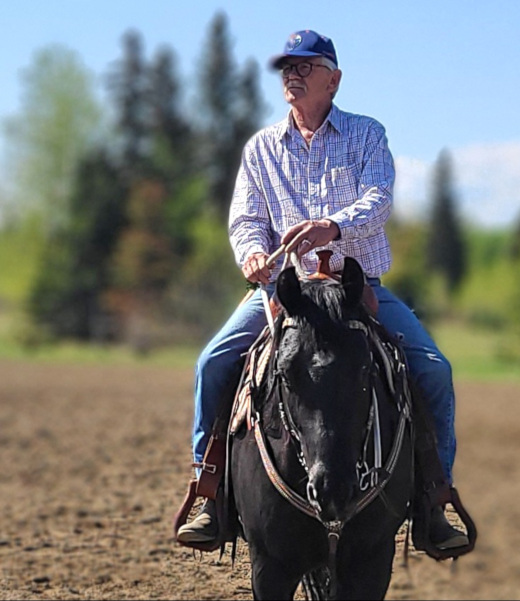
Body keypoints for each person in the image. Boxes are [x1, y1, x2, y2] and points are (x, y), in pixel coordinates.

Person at [177, 29, 469, 551]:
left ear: (333, 80)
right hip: (283, 293)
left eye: (306, 66)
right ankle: (210, 491)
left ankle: (434, 499)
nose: (292, 74)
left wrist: (330, 227)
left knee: (432, 369)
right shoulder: (261, 148)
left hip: (358, 290)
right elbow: (246, 218)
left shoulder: (366, 134)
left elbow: (379, 199)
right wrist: (249, 253)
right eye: (287, 67)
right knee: (212, 363)